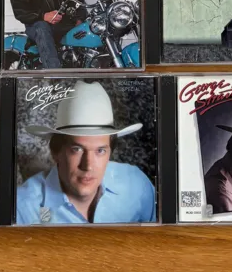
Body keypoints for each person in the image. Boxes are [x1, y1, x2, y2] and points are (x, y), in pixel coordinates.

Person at [17, 80, 155, 224]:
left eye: (100, 151)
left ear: (110, 152)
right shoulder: (22, 210)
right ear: (56, 152)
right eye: (77, 149)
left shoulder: (136, 185)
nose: (88, 166)